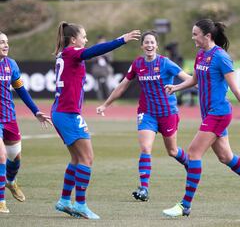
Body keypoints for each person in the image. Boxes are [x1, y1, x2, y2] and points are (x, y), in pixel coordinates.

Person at [162, 19, 240, 217]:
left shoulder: (221, 57)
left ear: (207, 36)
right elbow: (195, 80)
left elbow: (235, 88)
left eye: (195, 34)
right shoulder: (200, 54)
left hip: (218, 113)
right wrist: (176, 87)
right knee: (225, 157)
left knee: (193, 153)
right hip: (209, 113)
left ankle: (185, 205)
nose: (193, 37)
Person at [51, 21, 140, 219]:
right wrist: (121, 40)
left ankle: (65, 201)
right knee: (87, 158)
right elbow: (95, 51)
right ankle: (80, 205)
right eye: (84, 36)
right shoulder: (72, 53)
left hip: (63, 112)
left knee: (77, 158)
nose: (86, 40)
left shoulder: (63, 55)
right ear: (73, 40)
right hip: (67, 114)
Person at [96, 30, 192, 202]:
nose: (149, 45)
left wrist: (210, 89)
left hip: (167, 113)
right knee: (146, 148)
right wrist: (106, 104)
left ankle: (189, 164)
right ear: (142, 46)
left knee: (172, 151)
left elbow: (189, 79)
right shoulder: (137, 64)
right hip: (147, 113)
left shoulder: (166, 63)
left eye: (152, 42)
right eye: (146, 42)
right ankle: (144, 189)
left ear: (156, 45)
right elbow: (123, 85)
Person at [0, 31, 52, 213]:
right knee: (1, 156)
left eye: (6, 42)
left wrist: (36, 111)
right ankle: (1, 202)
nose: (5, 45)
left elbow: (21, 90)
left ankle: (11, 181)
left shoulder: (11, 64)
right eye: (1, 42)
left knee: (15, 159)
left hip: (9, 118)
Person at [91, 35, 114, 101]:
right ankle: (100, 100)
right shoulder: (94, 48)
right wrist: (97, 57)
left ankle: (109, 100)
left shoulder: (108, 48)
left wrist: (104, 57)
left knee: (108, 85)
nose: (102, 42)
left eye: (103, 40)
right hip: (97, 70)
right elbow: (91, 58)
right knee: (98, 86)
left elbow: (111, 59)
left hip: (106, 70)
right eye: (100, 41)